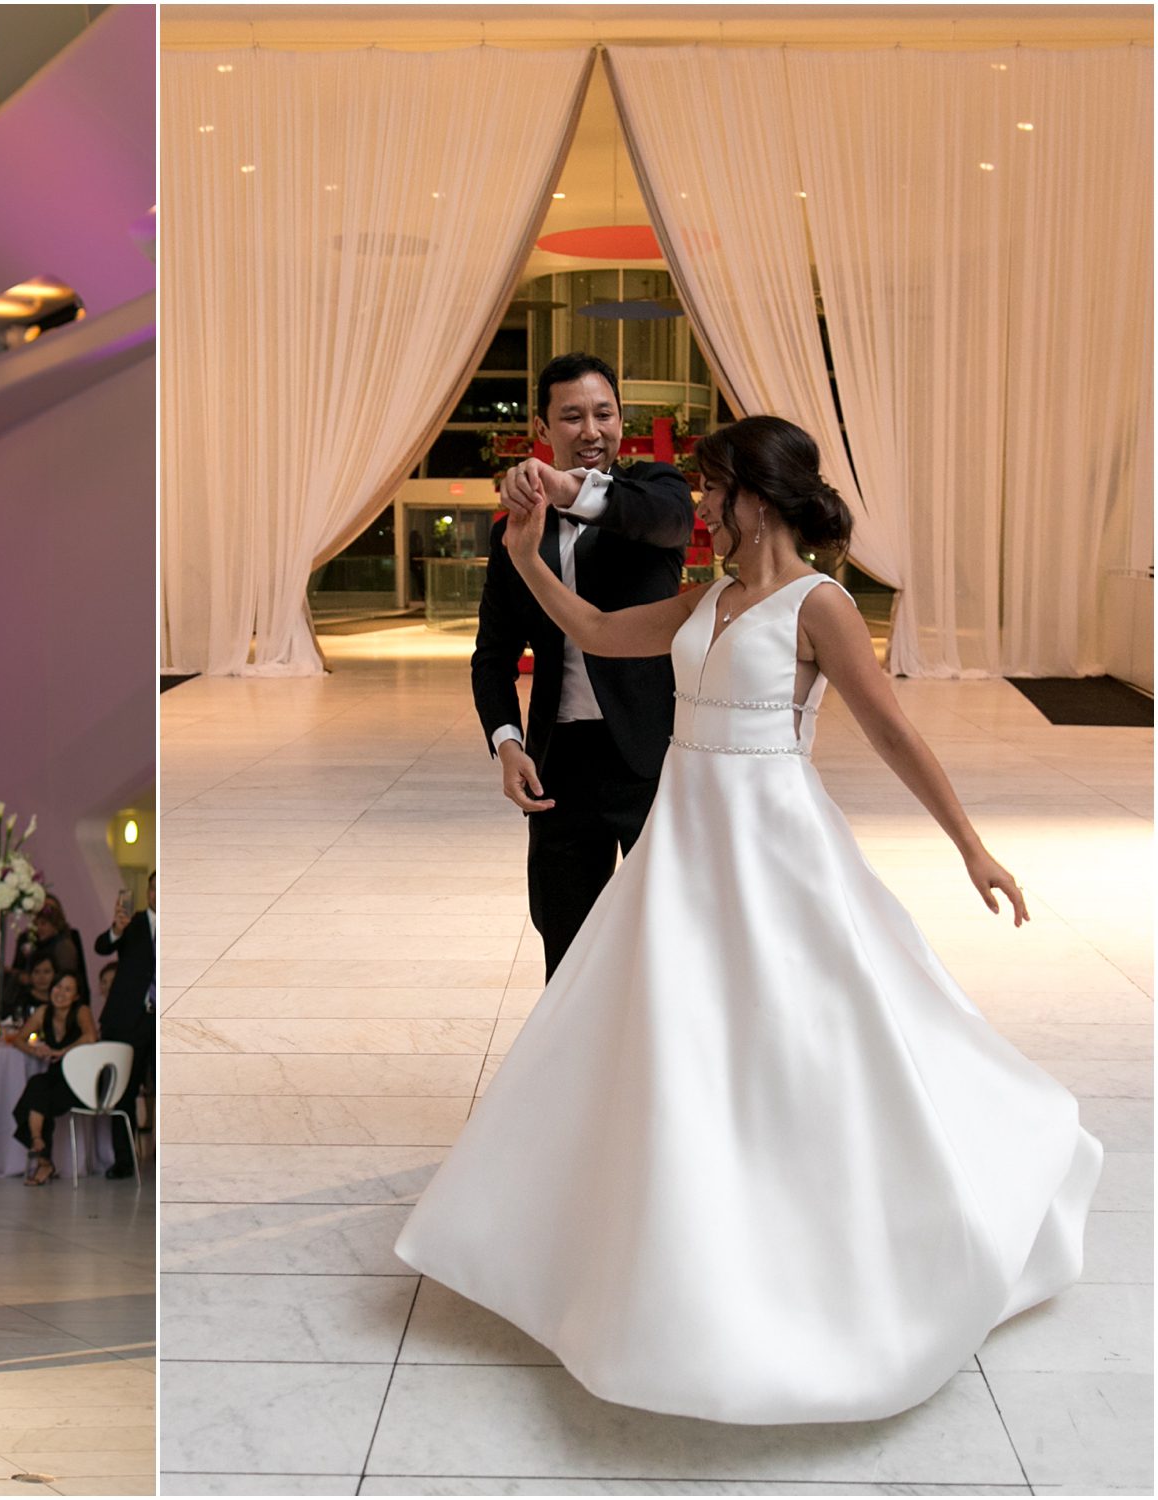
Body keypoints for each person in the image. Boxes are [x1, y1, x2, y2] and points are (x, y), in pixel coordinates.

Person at [395, 414, 1101, 1426]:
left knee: (803, 1035)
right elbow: (592, 633)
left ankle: (831, 1226)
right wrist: (519, 556)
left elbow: (892, 733)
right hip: (682, 843)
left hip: (772, 844)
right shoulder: (708, 599)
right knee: (668, 1032)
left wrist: (969, 846)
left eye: (711, 485)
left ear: (755, 498)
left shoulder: (818, 606)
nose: (697, 503)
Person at [475, 351, 696, 979]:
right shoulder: (515, 532)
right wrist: (507, 742)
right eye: (571, 417)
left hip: (656, 756)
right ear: (543, 429)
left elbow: (663, 520)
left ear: (622, 421)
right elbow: (492, 656)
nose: (591, 430)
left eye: (604, 414)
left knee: (670, 940)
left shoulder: (656, 493)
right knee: (566, 946)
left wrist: (562, 485)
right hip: (559, 766)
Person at [93, 870, 156, 1178]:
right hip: (129, 1020)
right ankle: (125, 1159)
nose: (158, 895)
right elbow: (102, 947)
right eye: (154, 889)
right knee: (124, 1089)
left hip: (165, 1022)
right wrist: (117, 930)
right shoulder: (134, 924)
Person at [9, 971, 99, 1186]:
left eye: (68, 989)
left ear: (76, 996)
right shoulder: (43, 1011)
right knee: (38, 1086)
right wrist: (35, 1051)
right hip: (56, 1075)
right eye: (58, 987)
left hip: (79, 1077)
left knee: (36, 1095)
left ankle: (42, 1156)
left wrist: (63, 1051)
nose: (61, 993)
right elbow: (19, 1038)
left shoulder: (81, 1010)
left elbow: (91, 1037)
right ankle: (39, 1145)